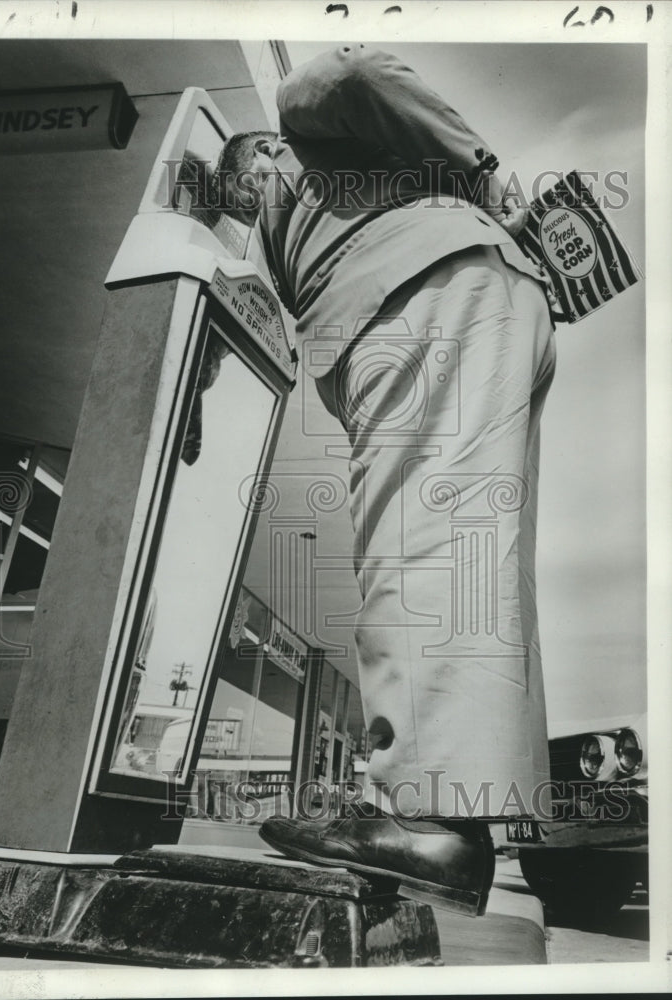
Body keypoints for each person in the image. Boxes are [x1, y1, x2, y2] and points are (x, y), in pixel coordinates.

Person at [214, 44, 556, 917]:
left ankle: (431, 818)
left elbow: (348, 72)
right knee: (462, 553)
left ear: (271, 152)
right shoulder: (297, 228)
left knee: (426, 546)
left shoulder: (305, 124)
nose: (249, 197)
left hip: (423, 294)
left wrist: (480, 185)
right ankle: (448, 817)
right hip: (432, 303)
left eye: (247, 176)